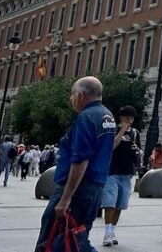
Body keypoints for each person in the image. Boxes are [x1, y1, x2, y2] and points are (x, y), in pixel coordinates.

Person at [34, 77, 116, 252]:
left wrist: (65, 199)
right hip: (95, 188)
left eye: (72, 94)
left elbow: (80, 160)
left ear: (80, 95)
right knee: (76, 236)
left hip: (78, 190)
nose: (71, 99)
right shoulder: (107, 116)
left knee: (51, 238)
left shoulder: (85, 117)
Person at [102, 105, 141, 247]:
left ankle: (112, 231)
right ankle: (107, 232)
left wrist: (137, 150)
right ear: (121, 117)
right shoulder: (112, 129)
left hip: (126, 173)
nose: (129, 120)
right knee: (109, 203)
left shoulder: (135, 133)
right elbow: (111, 146)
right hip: (112, 172)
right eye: (126, 117)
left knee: (120, 204)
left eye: (131, 118)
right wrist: (122, 130)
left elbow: (138, 151)